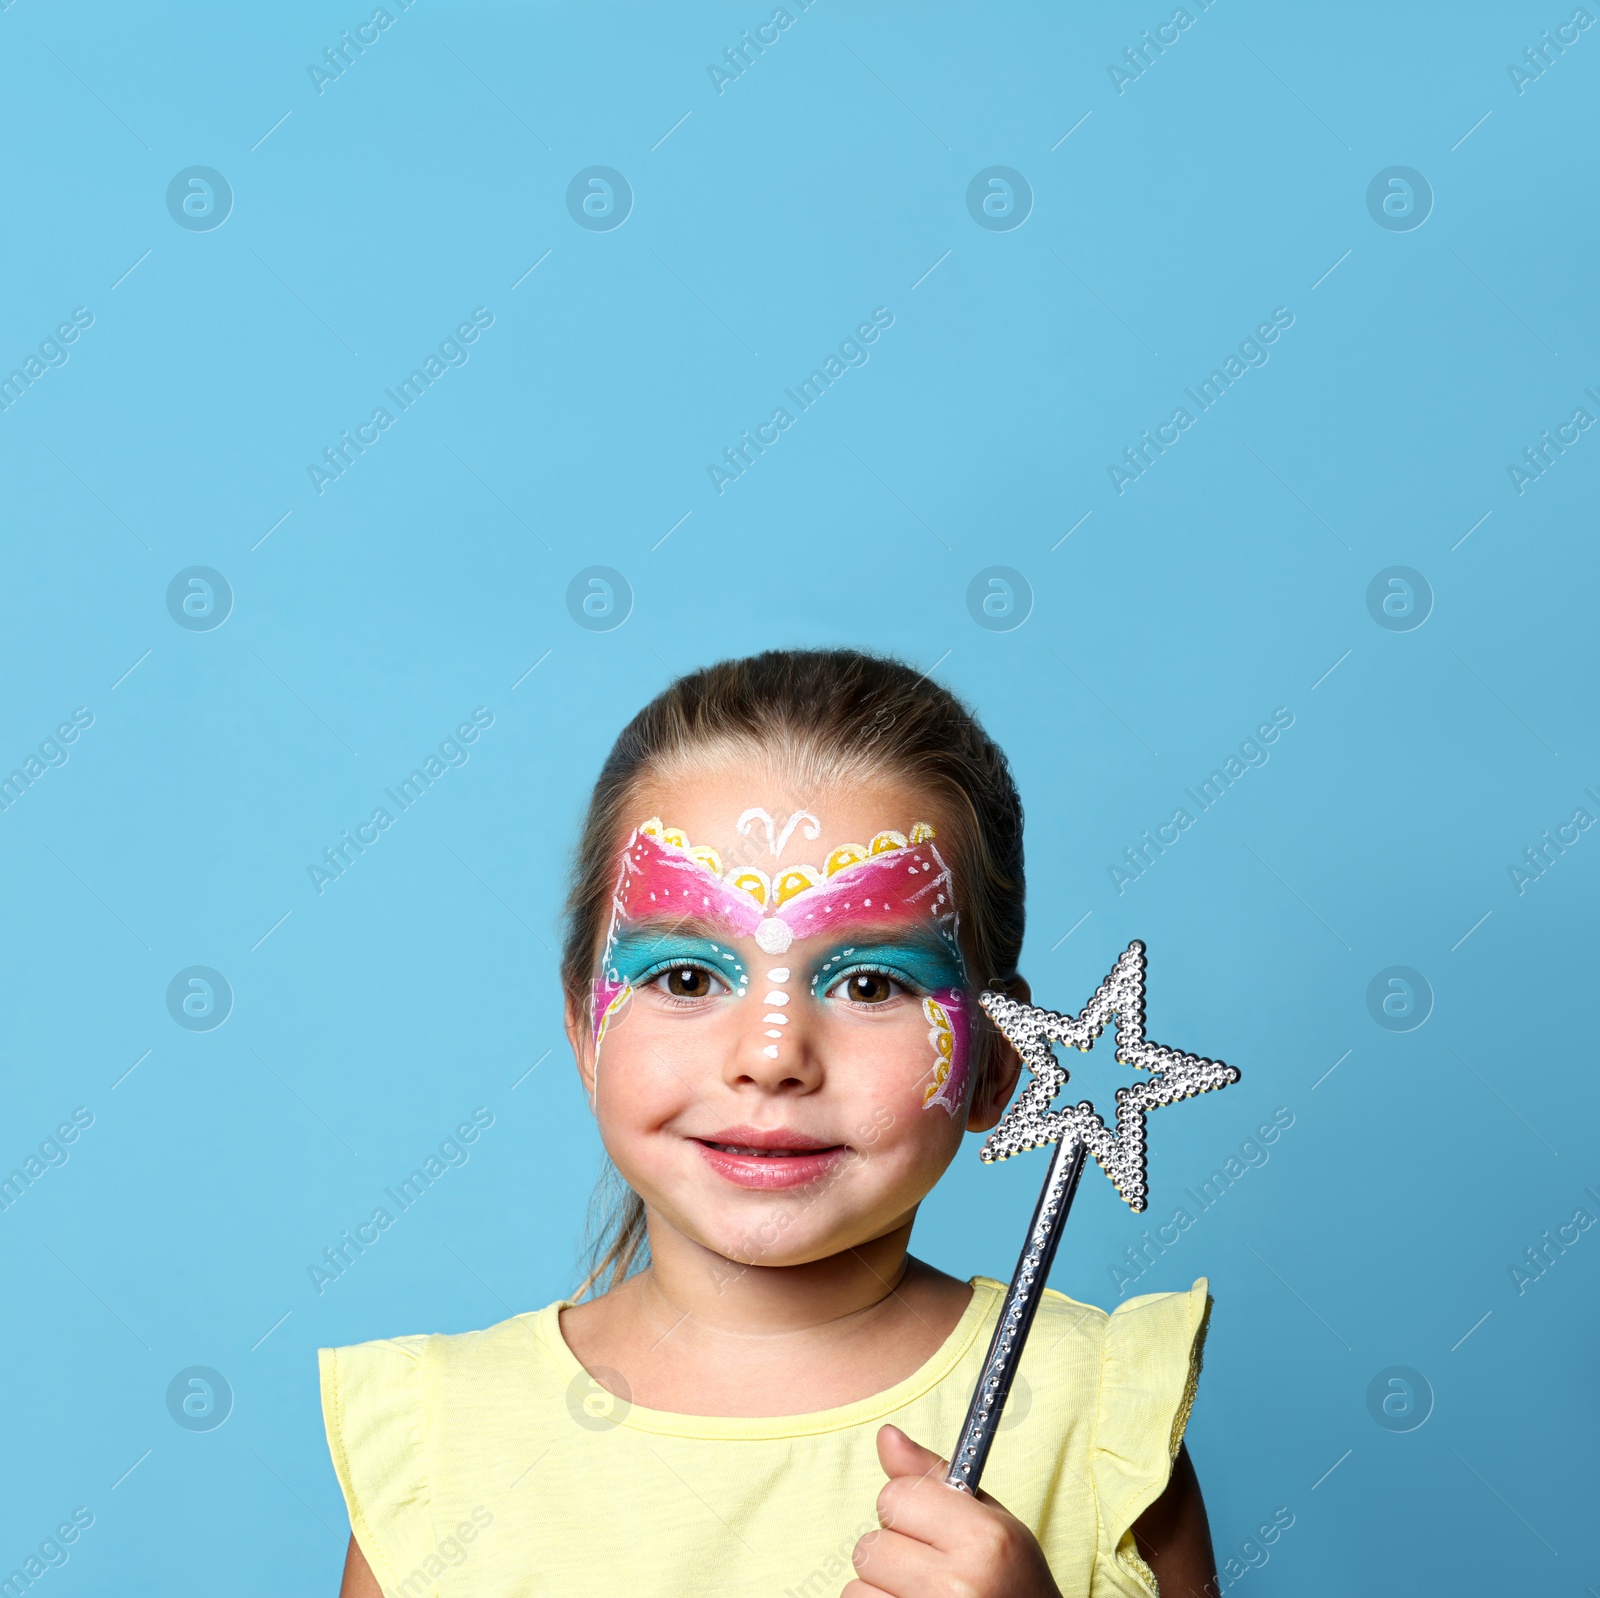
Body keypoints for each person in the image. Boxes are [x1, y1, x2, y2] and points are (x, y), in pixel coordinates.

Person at [320, 648, 1218, 1597]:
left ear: (1001, 1054)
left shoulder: (1099, 1426)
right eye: (687, 977)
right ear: (587, 1029)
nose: (773, 1054)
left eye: (872, 982)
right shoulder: (440, 1447)